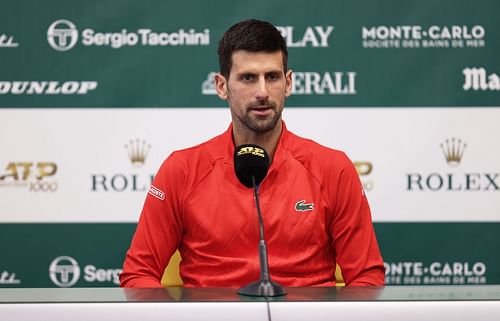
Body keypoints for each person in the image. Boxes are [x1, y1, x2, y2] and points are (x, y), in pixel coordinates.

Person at [120, 19, 384, 288]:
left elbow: (366, 278)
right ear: (221, 86)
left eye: (272, 77)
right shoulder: (182, 169)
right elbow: (138, 275)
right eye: (248, 78)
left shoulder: (332, 168)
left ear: (288, 82)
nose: (262, 92)